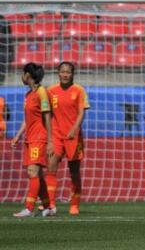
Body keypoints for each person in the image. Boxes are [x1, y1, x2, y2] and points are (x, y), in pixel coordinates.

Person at [43, 62, 90, 216]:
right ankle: (50, 205)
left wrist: (74, 129)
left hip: (73, 136)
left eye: (68, 72)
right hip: (56, 134)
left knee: (74, 171)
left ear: (72, 74)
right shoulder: (51, 91)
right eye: (62, 72)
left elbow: (82, 113)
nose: (65, 75)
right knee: (51, 166)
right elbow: (47, 113)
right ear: (58, 73)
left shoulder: (79, 90)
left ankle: (74, 204)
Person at [10, 63, 52, 218]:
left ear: (28, 75)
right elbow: (27, 120)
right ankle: (48, 206)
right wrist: (17, 136)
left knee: (32, 171)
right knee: (38, 174)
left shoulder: (42, 92)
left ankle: (29, 208)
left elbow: (47, 116)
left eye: (23, 73)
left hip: (39, 138)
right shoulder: (28, 95)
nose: (22, 76)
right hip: (30, 138)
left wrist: (50, 140)